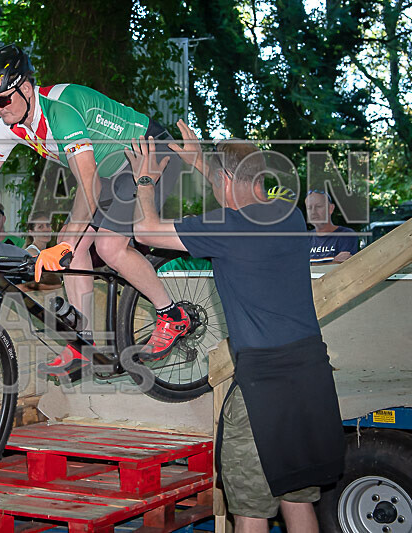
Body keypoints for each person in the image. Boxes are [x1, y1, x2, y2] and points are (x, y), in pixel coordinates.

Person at [0, 42, 187, 379]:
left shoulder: (61, 112)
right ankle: (82, 343)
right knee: (76, 250)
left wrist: (63, 242)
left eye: (2, 100)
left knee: (106, 247)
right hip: (111, 172)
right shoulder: (10, 126)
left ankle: (172, 315)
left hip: (149, 152)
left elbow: (89, 187)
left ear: (26, 88)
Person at [128, 122, 345, 532]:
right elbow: (236, 181)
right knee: (296, 499)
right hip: (311, 378)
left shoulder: (226, 227)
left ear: (227, 181)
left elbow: (145, 232)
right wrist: (202, 164)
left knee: (250, 509)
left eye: (216, 183)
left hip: (264, 387)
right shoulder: (290, 217)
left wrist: (145, 182)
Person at [305, 190, 358, 264]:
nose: (313, 212)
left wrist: (311, 266)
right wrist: (334, 262)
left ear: (331, 208)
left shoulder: (346, 235)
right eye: (309, 208)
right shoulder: (303, 239)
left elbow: (344, 269)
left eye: (318, 206)